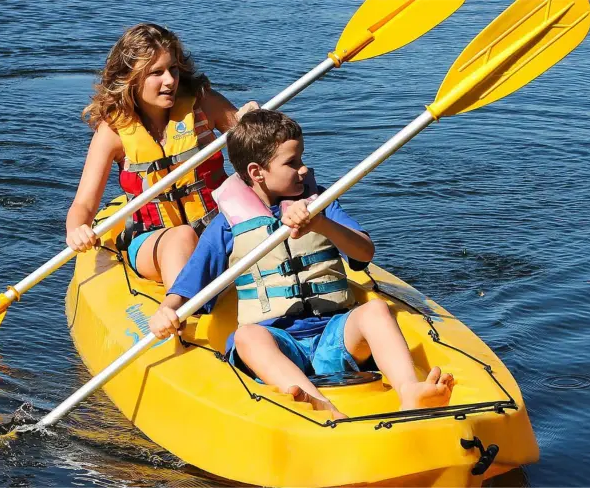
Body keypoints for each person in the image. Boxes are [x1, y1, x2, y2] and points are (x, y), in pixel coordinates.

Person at [148, 110, 454, 418]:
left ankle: (409, 390)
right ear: (257, 172)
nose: (303, 169)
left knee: (375, 310)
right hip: (278, 341)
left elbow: (364, 253)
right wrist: (167, 308)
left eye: (302, 159)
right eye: (291, 163)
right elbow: (190, 283)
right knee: (246, 337)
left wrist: (321, 224)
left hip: (334, 334)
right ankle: (320, 406)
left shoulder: (321, 203)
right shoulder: (227, 225)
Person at [66, 23, 257, 288]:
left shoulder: (203, 104)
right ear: (131, 79)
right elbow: (84, 205)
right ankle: (183, 313)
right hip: (154, 238)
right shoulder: (113, 133)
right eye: (157, 72)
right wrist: (76, 230)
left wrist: (254, 123)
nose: (170, 80)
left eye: (173, 69)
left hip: (217, 227)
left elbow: (259, 150)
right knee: (181, 237)